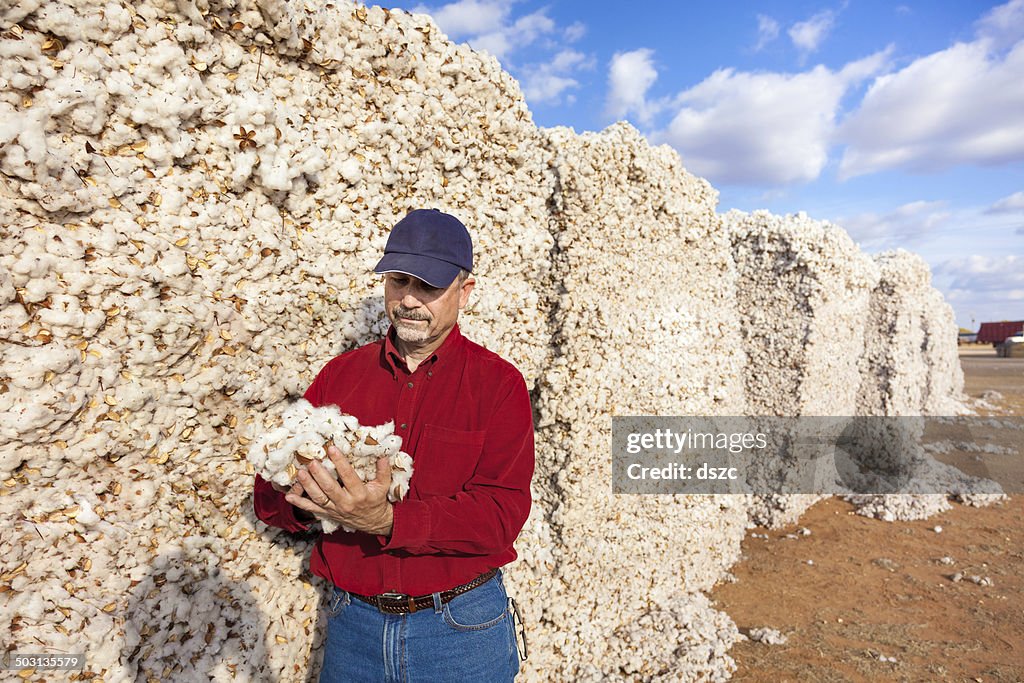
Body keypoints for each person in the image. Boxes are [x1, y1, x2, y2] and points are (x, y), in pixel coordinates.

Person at [253, 208, 534, 682]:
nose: (408, 300)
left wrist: (385, 519)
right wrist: (317, 501)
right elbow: (269, 497)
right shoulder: (338, 378)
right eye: (398, 281)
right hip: (354, 628)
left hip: (460, 631)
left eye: (428, 287)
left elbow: (501, 514)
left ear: (464, 293)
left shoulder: (499, 385)